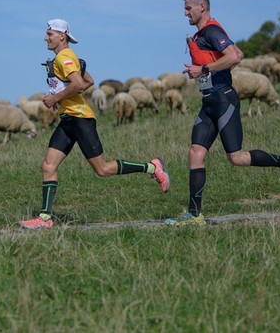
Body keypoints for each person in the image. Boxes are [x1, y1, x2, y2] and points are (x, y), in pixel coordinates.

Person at [165, 0, 280, 226]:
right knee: (196, 152)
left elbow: (233, 57)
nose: (185, 14)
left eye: (188, 8)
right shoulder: (203, 33)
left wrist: (203, 70)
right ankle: (194, 215)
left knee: (237, 157)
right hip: (209, 103)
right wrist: (210, 69)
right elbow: (237, 53)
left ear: (202, 7)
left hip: (224, 101)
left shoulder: (211, 29)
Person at [19, 19, 171, 230]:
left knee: (103, 169)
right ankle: (45, 218)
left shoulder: (64, 57)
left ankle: (153, 167)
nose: (45, 37)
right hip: (68, 120)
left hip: (80, 119)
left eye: (49, 34)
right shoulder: (63, 58)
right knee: (48, 166)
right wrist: (62, 97)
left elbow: (80, 84)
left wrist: (56, 98)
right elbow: (89, 81)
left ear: (62, 36)